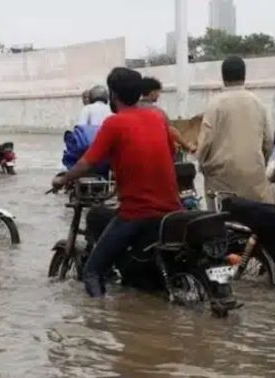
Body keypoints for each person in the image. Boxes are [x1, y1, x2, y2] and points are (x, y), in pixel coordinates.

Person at [52, 67, 182, 298]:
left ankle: (98, 325)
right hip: (172, 210)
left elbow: (86, 164)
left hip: (138, 212)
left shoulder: (114, 124)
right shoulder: (157, 118)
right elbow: (169, 156)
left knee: (92, 270)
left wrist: (63, 179)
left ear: (113, 94)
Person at [196, 56, 274, 204]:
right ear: (244, 75)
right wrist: (260, 161)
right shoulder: (257, 102)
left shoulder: (215, 104)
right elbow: (269, 140)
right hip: (253, 176)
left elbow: (206, 141)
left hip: (221, 177)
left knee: (220, 219)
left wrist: (201, 164)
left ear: (223, 75)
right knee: (255, 218)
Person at [139, 77, 196, 155]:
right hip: (155, 152)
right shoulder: (157, 112)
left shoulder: (132, 109)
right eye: (158, 92)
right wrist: (187, 145)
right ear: (152, 93)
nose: (159, 95)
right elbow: (171, 130)